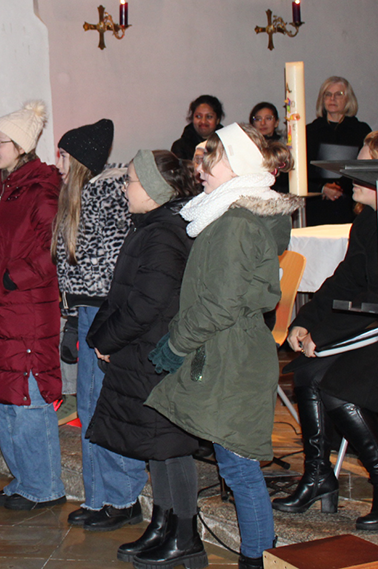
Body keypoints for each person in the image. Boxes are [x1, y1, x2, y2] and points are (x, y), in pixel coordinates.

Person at [146, 123, 298, 569]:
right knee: (237, 465)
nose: (200, 168)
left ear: (238, 164)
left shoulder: (235, 223)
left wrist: (176, 344)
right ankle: (258, 555)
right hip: (232, 351)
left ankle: (258, 559)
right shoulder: (236, 215)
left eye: (210, 158)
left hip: (232, 355)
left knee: (239, 469)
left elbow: (219, 303)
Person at [85, 151, 203, 565]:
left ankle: (186, 535)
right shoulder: (152, 226)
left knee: (172, 446)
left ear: (153, 189)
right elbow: (125, 293)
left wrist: (108, 341)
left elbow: (146, 303)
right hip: (145, 353)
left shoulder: (164, 233)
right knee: (157, 445)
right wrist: (102, 337)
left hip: (158, 353)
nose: (123, 187)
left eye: (130, 180)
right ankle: (164, 521)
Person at [274, 132, 378, 529]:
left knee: (337, 384)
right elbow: (343, 283)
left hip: (374, 326)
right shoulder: (366, 219)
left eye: (361, 163)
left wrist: (327, 334)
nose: (349, 172)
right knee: (305, 373)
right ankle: (319, 476)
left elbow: (372, 297)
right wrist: (305, 320)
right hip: (365, 320)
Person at [0, 101, 66, 511]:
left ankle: (46, 486)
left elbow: (56, 246)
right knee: (1, 397)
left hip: (24, 307)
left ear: (21, 145)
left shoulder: (42, 188)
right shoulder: (6, 186)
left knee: (28, 399)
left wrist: (14, 277)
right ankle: (25, 479)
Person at [51, 120, 146, 531]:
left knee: (105, 405)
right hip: (85, 311)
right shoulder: (82, 194)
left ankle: (123, 498)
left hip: (105, 312)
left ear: (81, 160)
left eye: (64, 156)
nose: (58, 163)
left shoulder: (108, 193)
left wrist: (87, 315)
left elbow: (109, 264)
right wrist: (72, 318)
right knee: (89, 407)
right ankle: (99, 496)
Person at [305, 77, 372, 225]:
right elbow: (302, 169)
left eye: (338, 94)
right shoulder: (310, 131)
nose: (332, 98)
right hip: (318, 203)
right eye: (328, 94)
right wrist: (323, 188)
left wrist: (342, 189)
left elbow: (367, 168)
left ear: (348, 99)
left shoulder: (360, 130)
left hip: (352, 202)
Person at [170, 95, 224, 161]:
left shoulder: (227, 144)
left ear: (217, 120)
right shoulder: (180, 147)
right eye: (198, 116)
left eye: (209, 117)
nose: (203, 121)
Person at [249, 102, 287, 192]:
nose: (263, 123)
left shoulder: (284, 146)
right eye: (258, 119)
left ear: (276, 122)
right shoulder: (247, 146)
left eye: (268, 118)